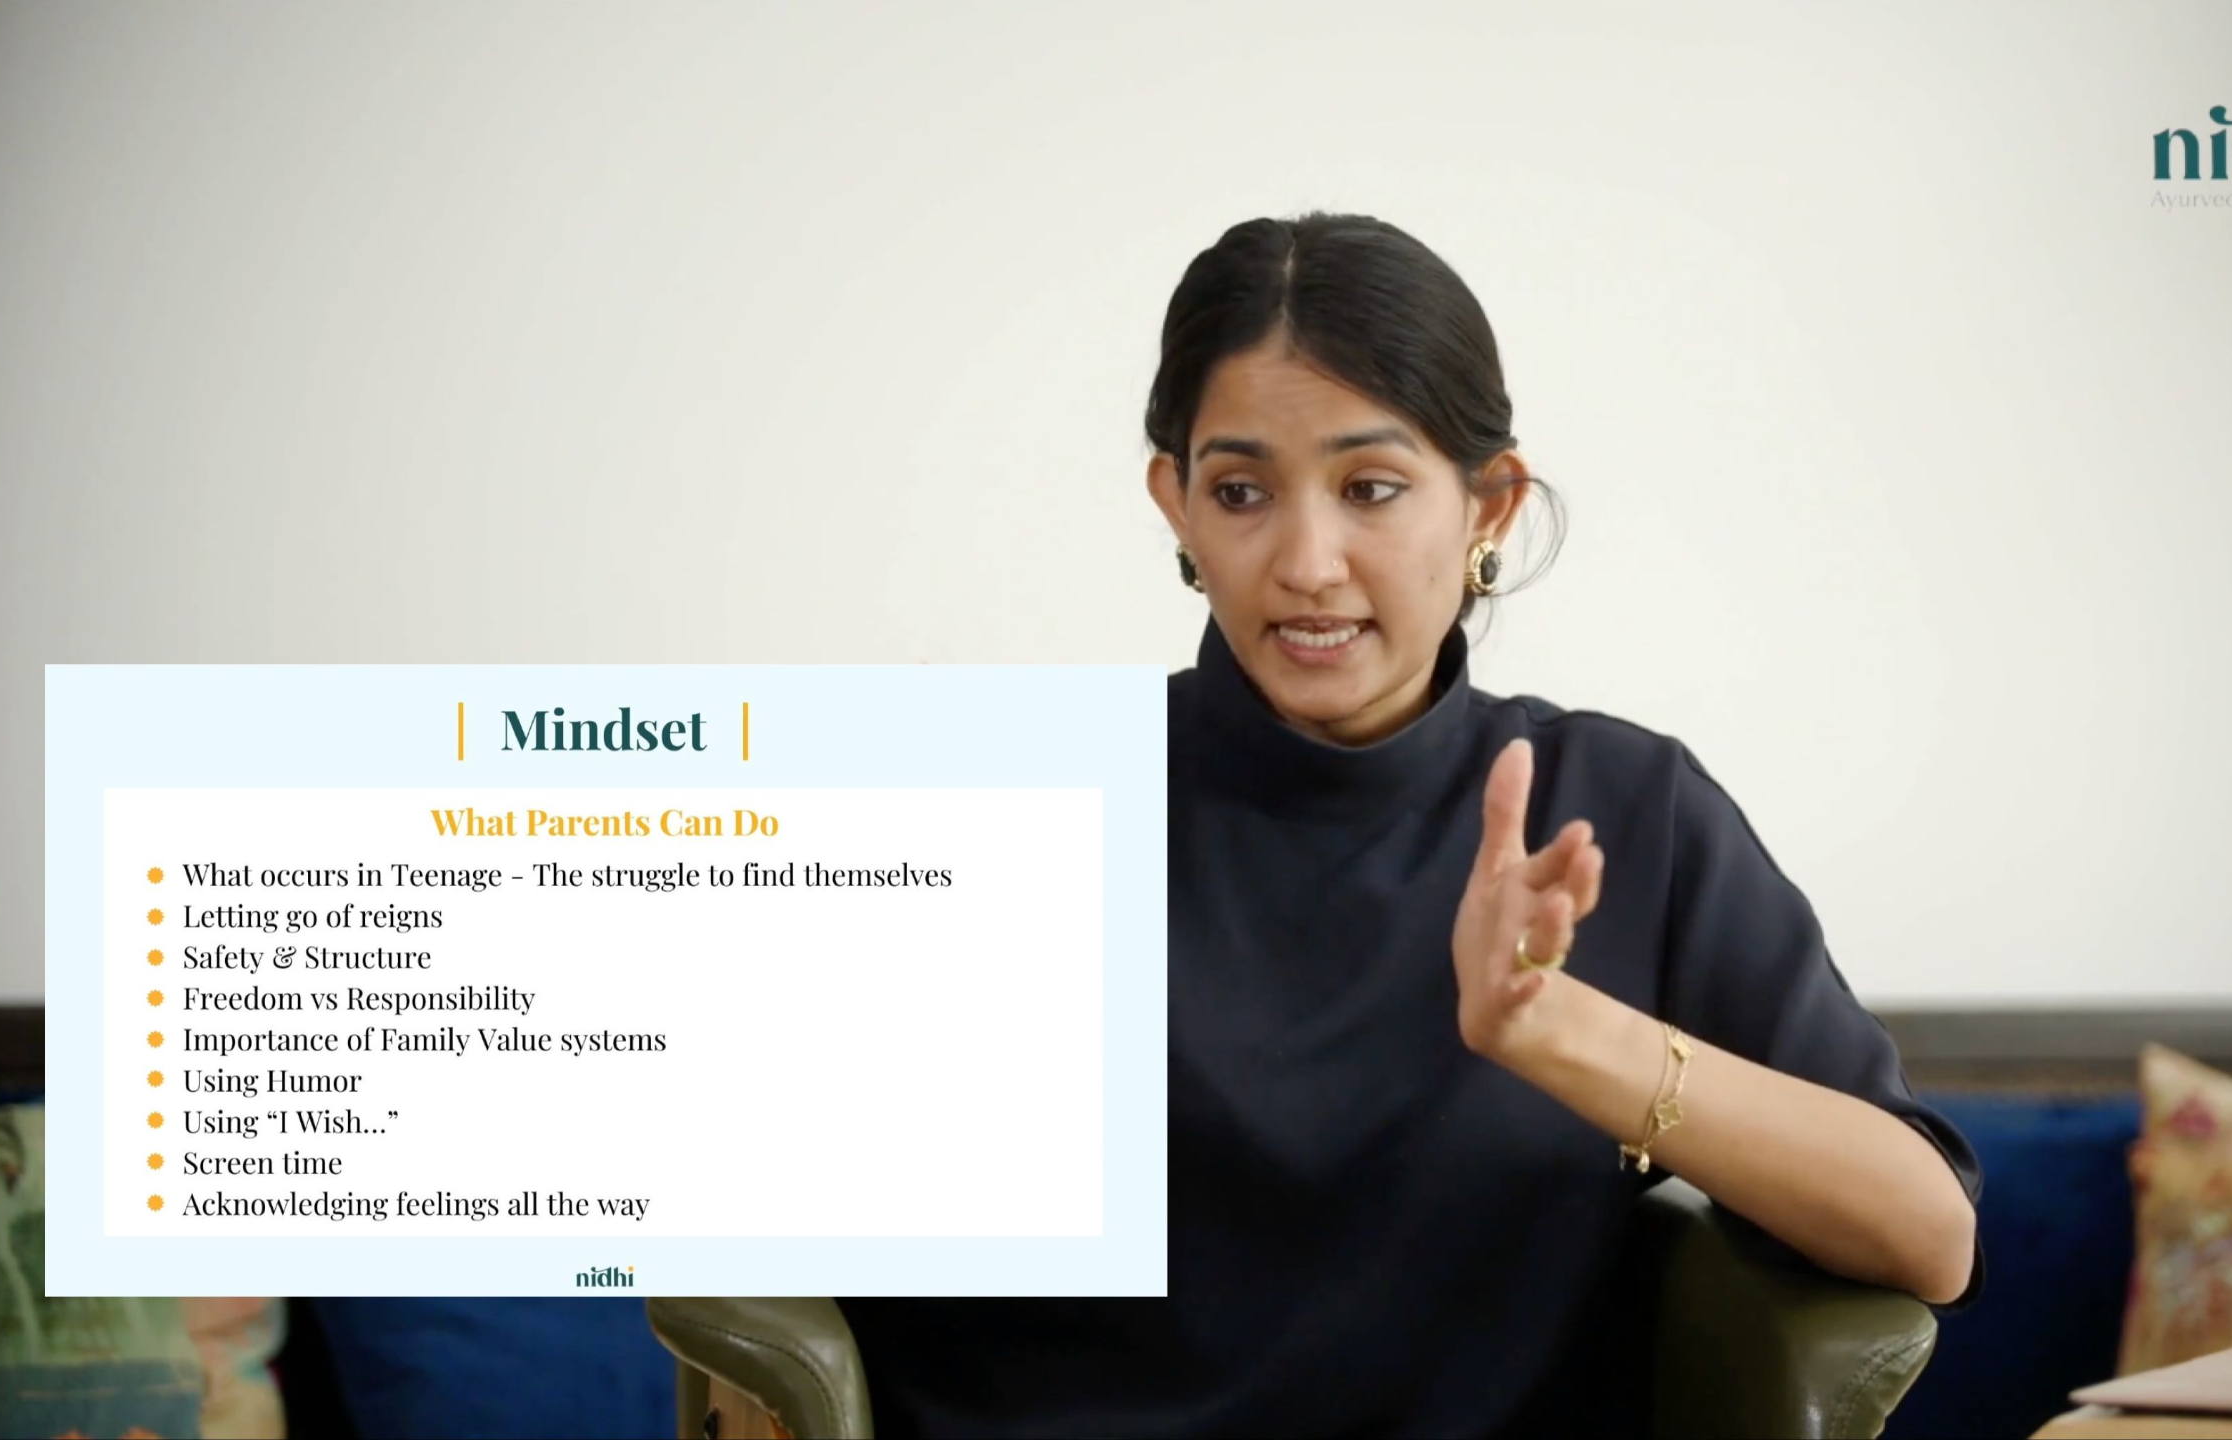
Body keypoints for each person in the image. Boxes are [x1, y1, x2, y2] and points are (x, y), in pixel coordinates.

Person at [835, 211, 1983, 1439]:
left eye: (1369, 489)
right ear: (1175, 504)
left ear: (1489, 504)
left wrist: (1558, 1032)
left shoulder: (1619, 807)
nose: (1306, 562)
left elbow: (1927, 1235)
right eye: (1240, 492)